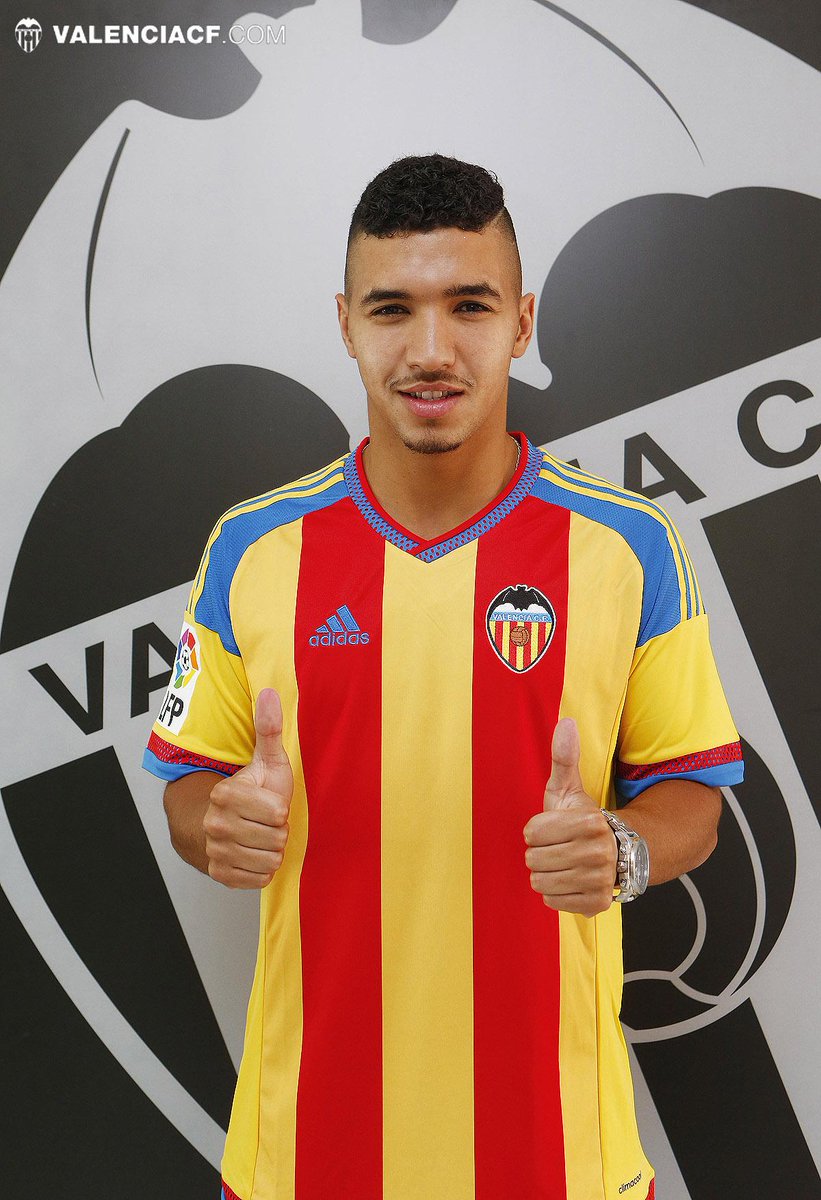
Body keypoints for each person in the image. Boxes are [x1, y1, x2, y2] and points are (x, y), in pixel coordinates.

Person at [143, 154, 744, 1200]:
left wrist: (622, 848)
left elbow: (694, 800)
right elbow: (190, 792)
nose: (430, 350)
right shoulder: (250, 547)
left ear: (520, 322)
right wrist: (214, 824)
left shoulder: (628, 545)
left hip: (559, 1158)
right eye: (392, 310)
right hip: (304, 1159)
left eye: (468, 305)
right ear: (345, 324)